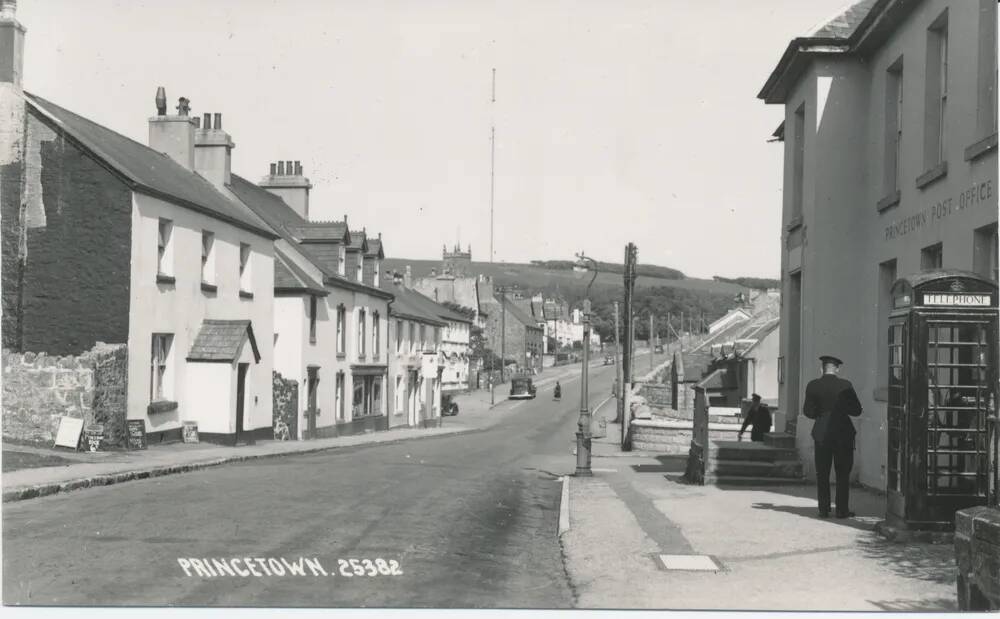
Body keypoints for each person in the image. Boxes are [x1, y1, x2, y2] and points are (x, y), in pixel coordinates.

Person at [802, 355, 863, 519]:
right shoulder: (845, 385)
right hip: (843, 432)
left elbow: (807, 411)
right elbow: (857, 410)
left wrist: (821, 416)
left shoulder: (813, 385)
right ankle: (842, 510)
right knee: (842, 472)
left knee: (822, 472)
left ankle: (824, 508)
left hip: (822, 433)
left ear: (821, 369)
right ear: (837, 369)